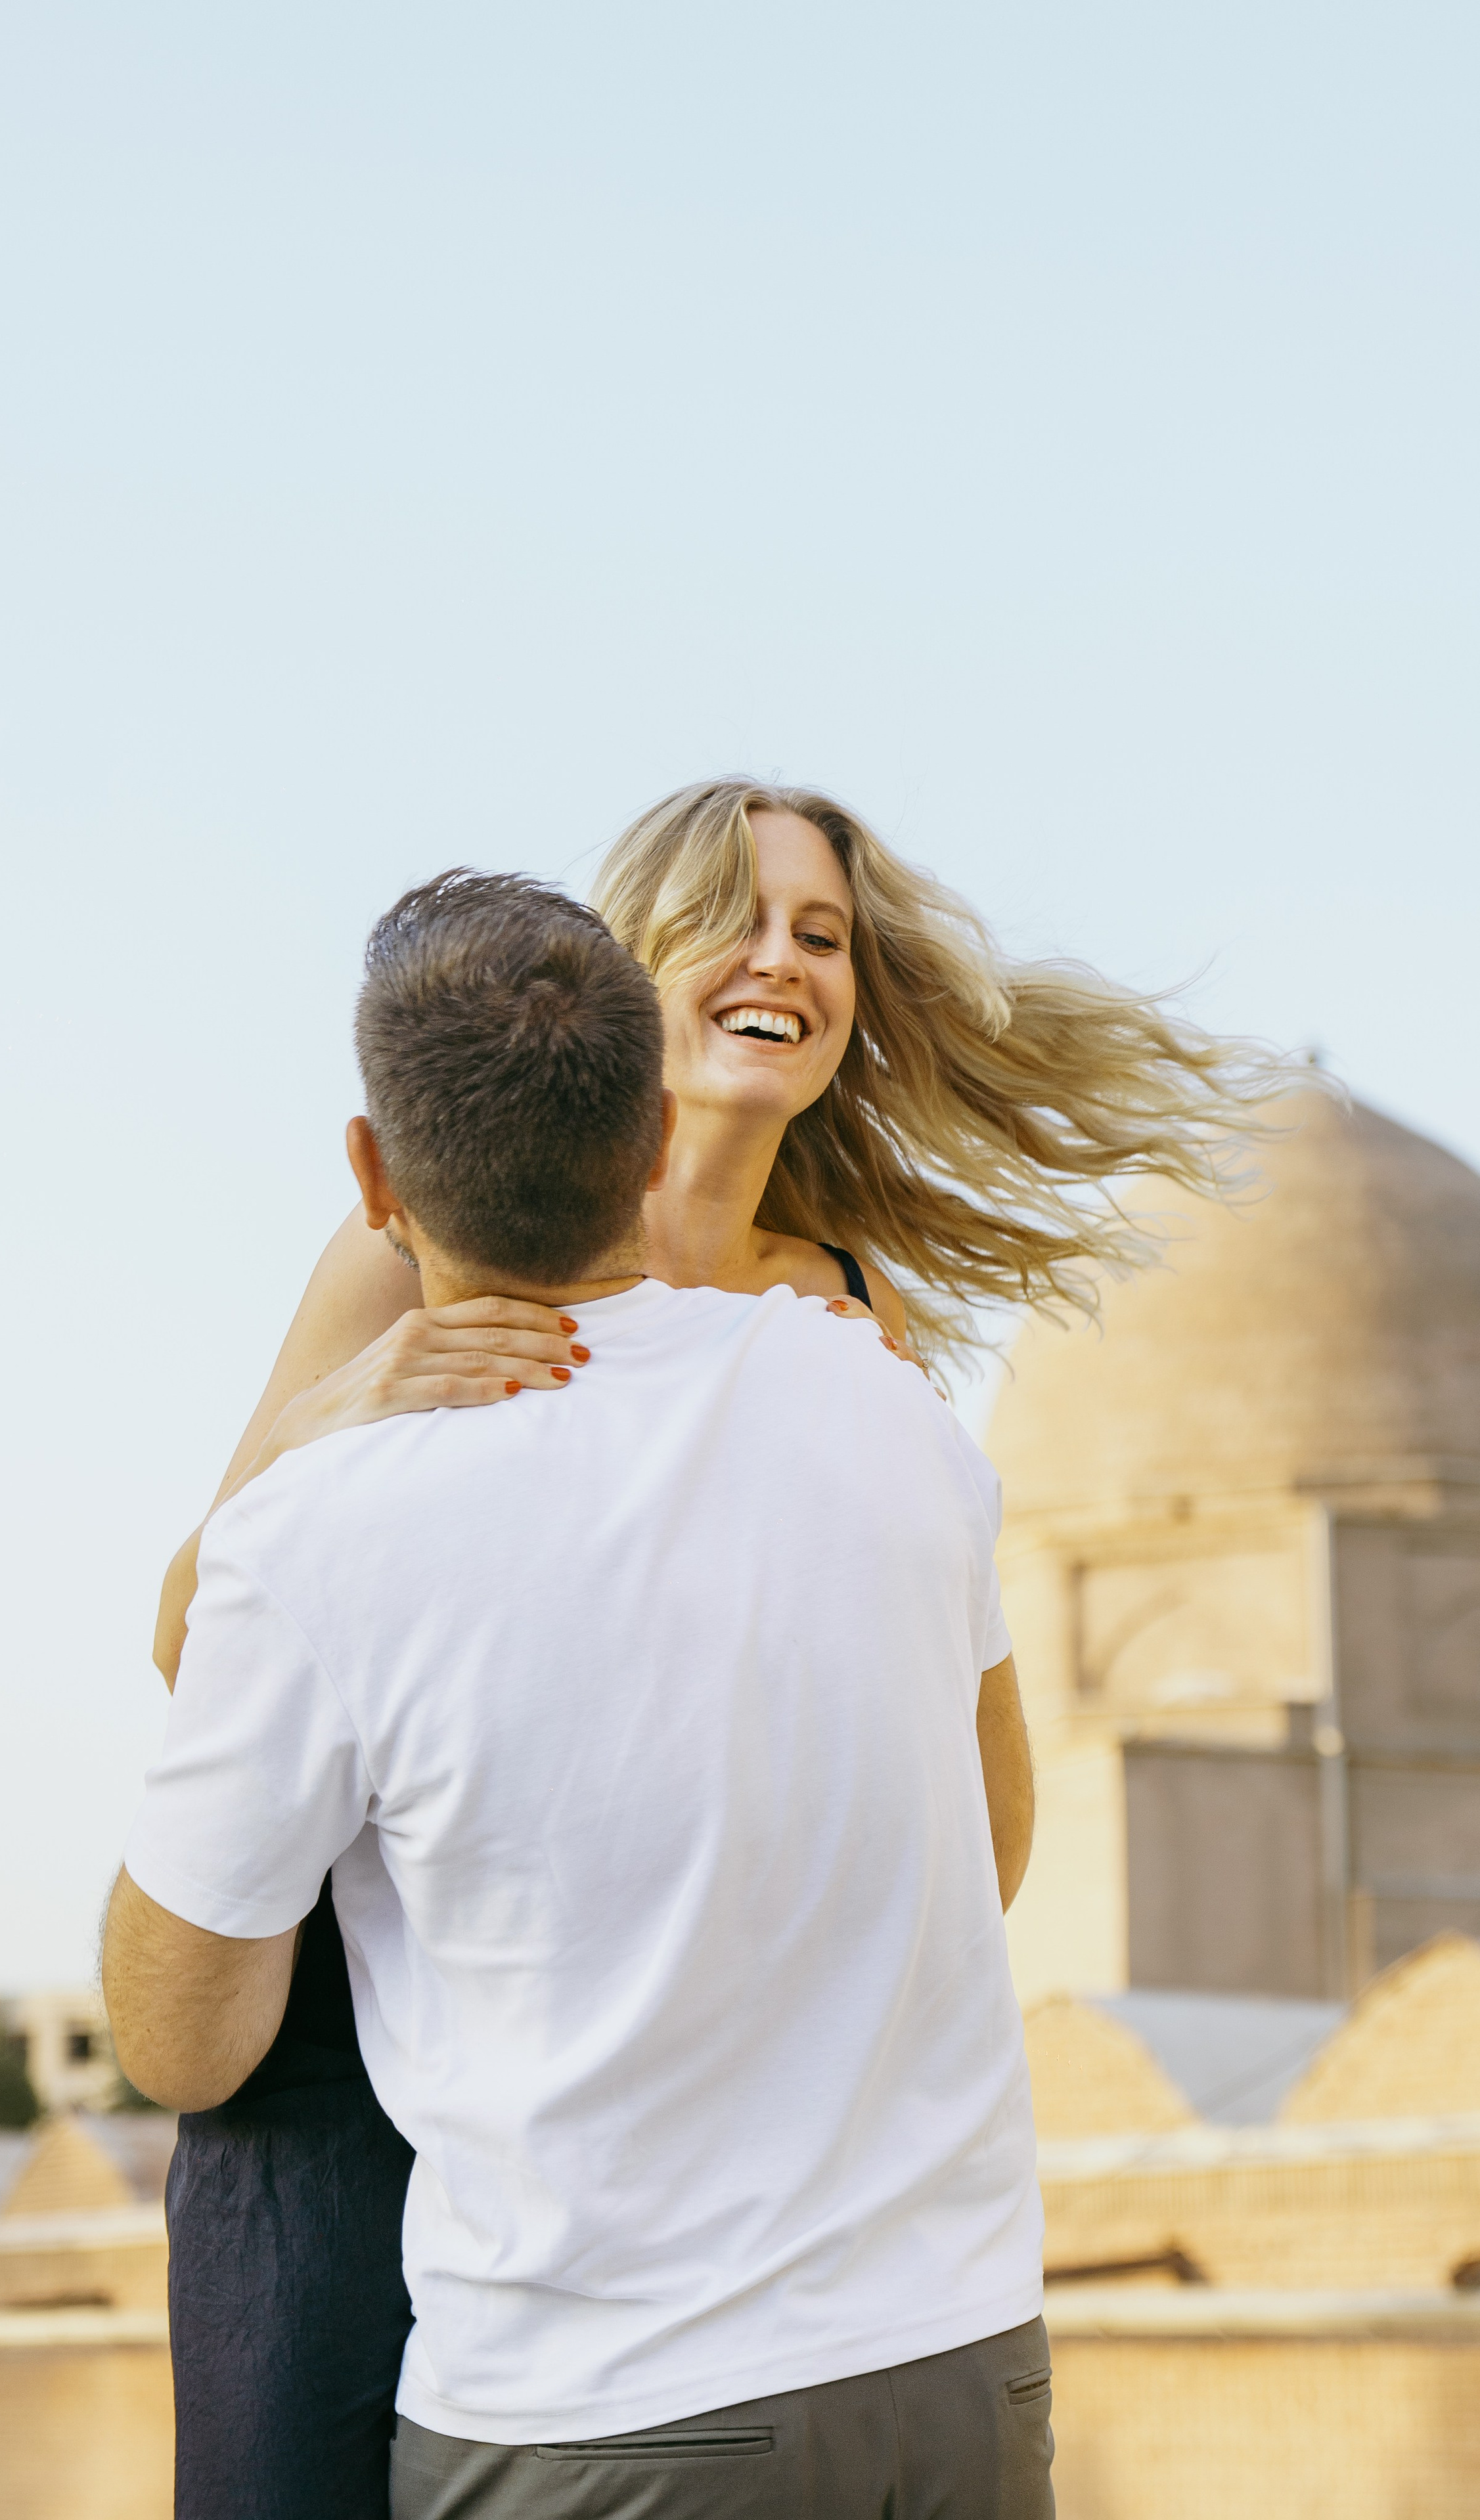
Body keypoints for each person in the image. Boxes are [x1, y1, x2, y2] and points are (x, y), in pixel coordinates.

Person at [149, 780, 1272, 2517]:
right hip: (401, 2076)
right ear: (622, 976)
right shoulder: (423, 1249)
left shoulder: (838, 1312)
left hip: (739, 2227)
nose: (784, 962)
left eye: (822, 935)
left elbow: (937, 1781)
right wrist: (350, 1405)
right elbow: (198, 1631)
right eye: (735, 922)